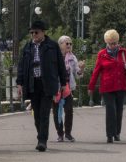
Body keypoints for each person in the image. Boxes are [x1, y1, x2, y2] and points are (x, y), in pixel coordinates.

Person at [16, 20, 67, 152]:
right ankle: (41, 136)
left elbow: (61, 66)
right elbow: (21, 67)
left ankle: (42, 141)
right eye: (31, 32)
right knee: (37, 114)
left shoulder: (52, 46)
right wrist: (19, 83)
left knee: (44, 113)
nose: (34, 35)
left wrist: (63, 82)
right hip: (33, 84)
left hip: (47, 83)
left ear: (43, 32)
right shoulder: (27, 47)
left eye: (36, 32)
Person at [88, 29, 126, 143]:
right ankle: (109, 135)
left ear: (118, 42)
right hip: (107, 87)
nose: (113, 45)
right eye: (111, 43)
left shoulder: (124, 52)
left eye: (115, 43)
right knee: (111, 110)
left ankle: (117, 133)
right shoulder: (102, 54)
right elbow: (96, 71)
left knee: (119, 110)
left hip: (121, 86)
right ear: (107, 43)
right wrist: (91, 87)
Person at [52, 35, 85, 142]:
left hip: (68, 87)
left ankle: (68, 133)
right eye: (67, 43)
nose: (69, 45)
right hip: (56, 88)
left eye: (71, 43)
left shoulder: (72, 57)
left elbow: (77, 73)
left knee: (69, 110)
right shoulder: (54, 56)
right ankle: (60, 134)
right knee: (57, 111)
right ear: (60, 44)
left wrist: (81, 69)